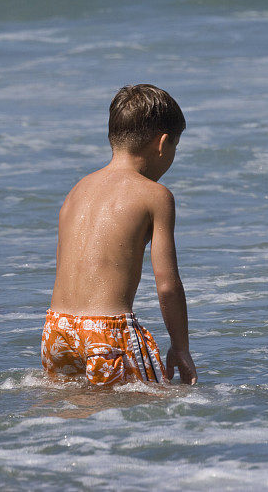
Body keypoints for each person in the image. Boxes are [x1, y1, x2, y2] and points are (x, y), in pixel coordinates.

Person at [41, 84, 197, 387]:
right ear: (163, 143)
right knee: (159, 408)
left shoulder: (77, 190)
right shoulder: (156, 195)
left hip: (56, 328)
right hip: (108, 333)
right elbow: (167, 286)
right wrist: (181, 348)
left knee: (73, 414)